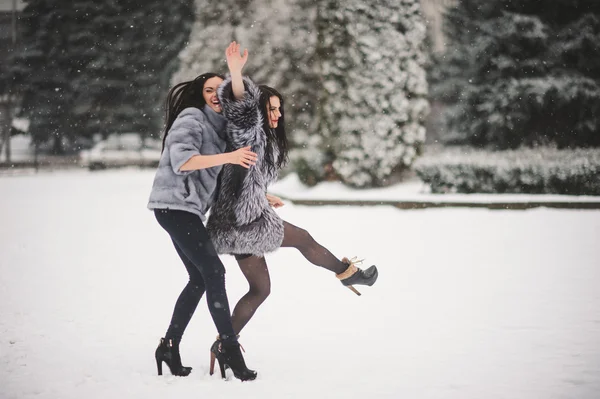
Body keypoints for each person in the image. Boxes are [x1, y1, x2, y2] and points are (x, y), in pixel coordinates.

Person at [206, 42, 379, 357]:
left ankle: (223, 345)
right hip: (245, 223)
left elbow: (237, 176)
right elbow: (241, 112)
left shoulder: (263, 143)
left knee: (260, 290)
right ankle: (349, 274)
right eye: (270, 109)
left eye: (278, 108)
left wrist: (262, 193)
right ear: (257, 112)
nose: (277, 114)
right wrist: (235, 72)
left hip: (237, 220)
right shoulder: (250, 132)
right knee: (304, 240)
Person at [147, 69, 258, 381]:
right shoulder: (192, 118)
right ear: (201, 94)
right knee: (214, 272)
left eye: (218, 90)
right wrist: (230, 156)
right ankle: (229, 347)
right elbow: (183, 160)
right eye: (209, 89)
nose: (214, 95)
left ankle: (169, 346)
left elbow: (226, 173)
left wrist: (263, 193)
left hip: (187, 210)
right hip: (173, 206)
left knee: (198, 278)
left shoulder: (219, 128)